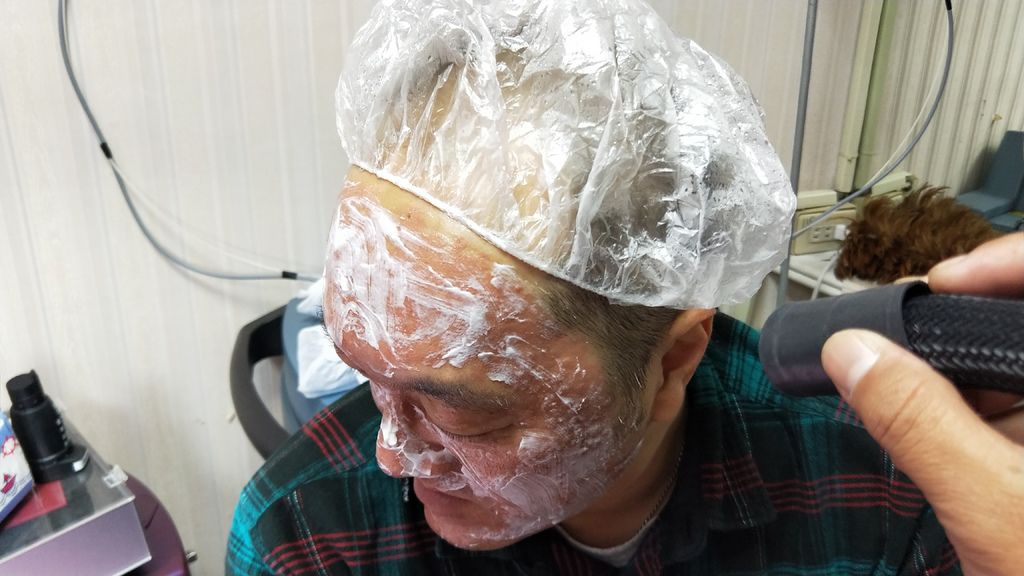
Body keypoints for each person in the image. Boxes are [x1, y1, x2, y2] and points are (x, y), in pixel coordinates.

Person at [227, 0, 1018, 573]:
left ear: (673, 360)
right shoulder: (303, 539)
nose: (390, 452)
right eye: (369, 372)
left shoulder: (885, 496)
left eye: (459, 411)